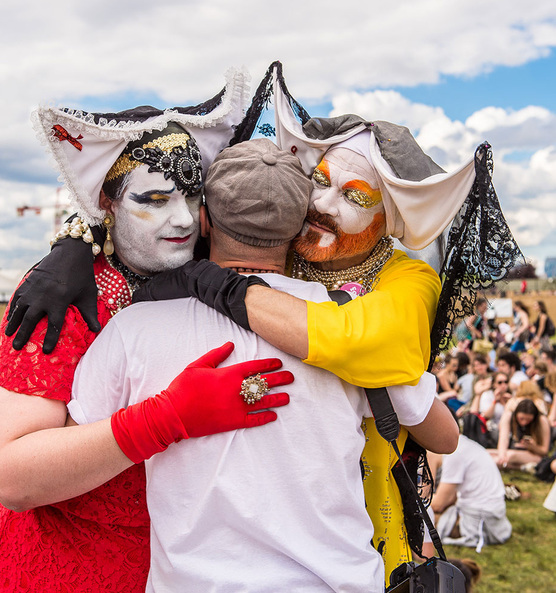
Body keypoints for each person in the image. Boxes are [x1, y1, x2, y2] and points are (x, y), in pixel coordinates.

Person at [70, 138, 458, 592]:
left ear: (204, 221)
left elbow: (71, 455)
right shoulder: (351, 324)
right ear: (301, 229)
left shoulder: (135, 328)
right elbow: (444, 437)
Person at [0, 72, 293, 593]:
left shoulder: (216, 267)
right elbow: (13, 477)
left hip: (182, 567)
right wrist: (166, 418)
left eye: (192, 195)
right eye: (155, 199)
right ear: (110, 205)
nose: (184, 217)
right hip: (57, 567)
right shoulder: (67, 294)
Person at [431, 431, 511, 551]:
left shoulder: (454, 453)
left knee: (421, 517)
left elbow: (438, 505)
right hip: (494, 516)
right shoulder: (467, 444)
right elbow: (451, 498)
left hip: (480, 519)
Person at [490, 398, 550, 470]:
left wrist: (533, 446)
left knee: (510, 456)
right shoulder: (509, 416)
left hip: (534, 455)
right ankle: (522, 467)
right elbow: (503, 439)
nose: (524, 422)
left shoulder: (542, 420)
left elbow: (544, 451)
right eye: (521, 419)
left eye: (528, 420)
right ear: (516, 414)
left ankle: (490, 465)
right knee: (487, 453)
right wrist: (502, 456)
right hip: (514, 450)